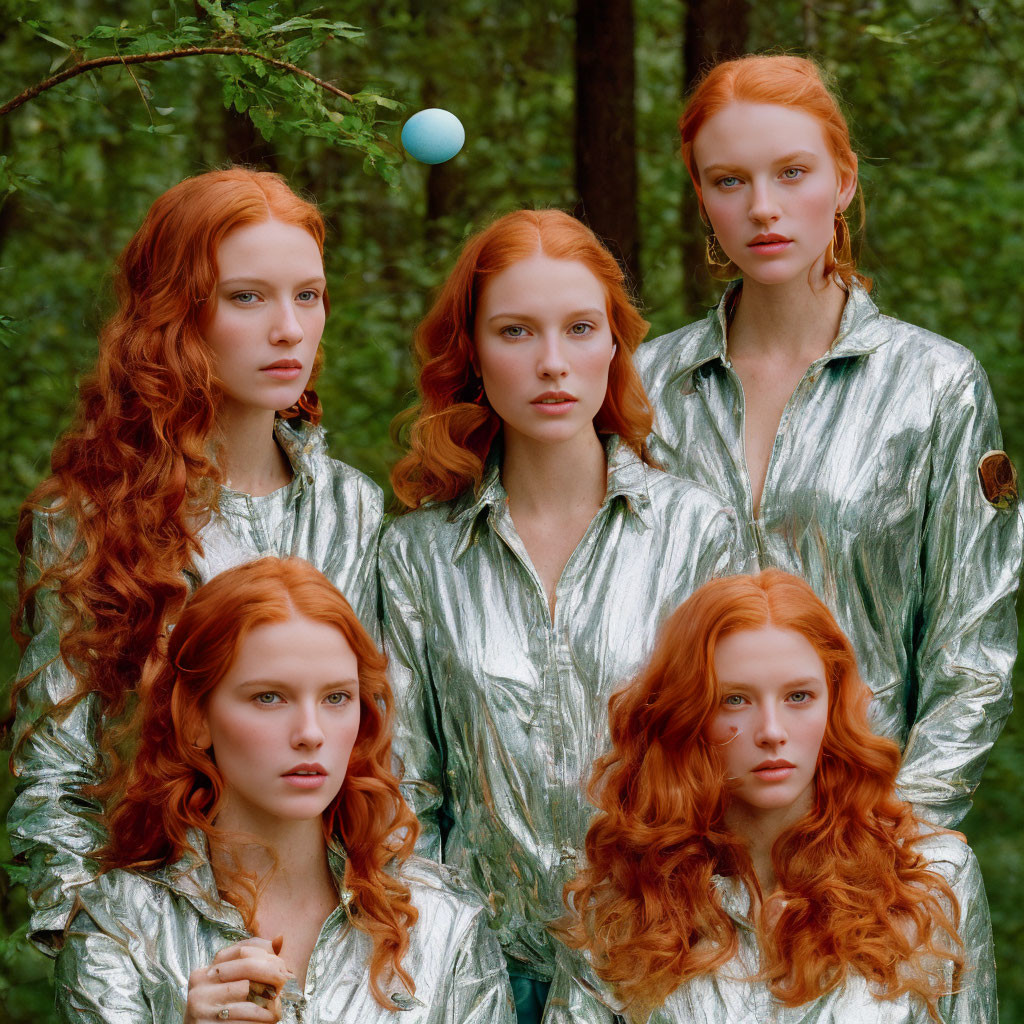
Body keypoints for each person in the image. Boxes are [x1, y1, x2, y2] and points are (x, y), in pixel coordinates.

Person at [634, 54, 1022, 828]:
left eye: (792, 173)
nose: (763, 208)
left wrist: (899, 835)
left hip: (865, 843)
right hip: (675, 849)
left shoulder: (934, 384)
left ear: (843, 180)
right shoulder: (646, 386)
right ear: (703, 197)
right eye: (729, 181)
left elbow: (974, 648)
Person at [380, 208, 744, 1024]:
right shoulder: (416, 556)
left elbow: (729, 770)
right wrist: (442, 963)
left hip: (659, 967)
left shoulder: (697, 534)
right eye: (515, 332)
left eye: (581, 328)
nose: (552, 363)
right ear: (471, 351)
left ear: (615, 343)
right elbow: (404, 791)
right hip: (470, 977)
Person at [7, 168, 383, 952]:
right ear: (177, 314)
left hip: (344, 939)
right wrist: (118, 966)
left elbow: (391, 747)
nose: (288, 329)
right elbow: (54, 775)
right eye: (247, 297)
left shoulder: (353, 507)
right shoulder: (89, 517)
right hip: (163, 937)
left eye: (307, 295)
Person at [53, 556, 514, 1024]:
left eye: (336, 697)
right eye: (268, 697)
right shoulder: (118, 929)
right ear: (195, 717)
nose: (310, 733)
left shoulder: (444, 921)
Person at [549, 570, 995, 1024]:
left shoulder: (931, 881)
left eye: (798, 696)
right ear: (687, 714)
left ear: (833, 702)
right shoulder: (624, 901)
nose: (772, 732)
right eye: (735, 700)